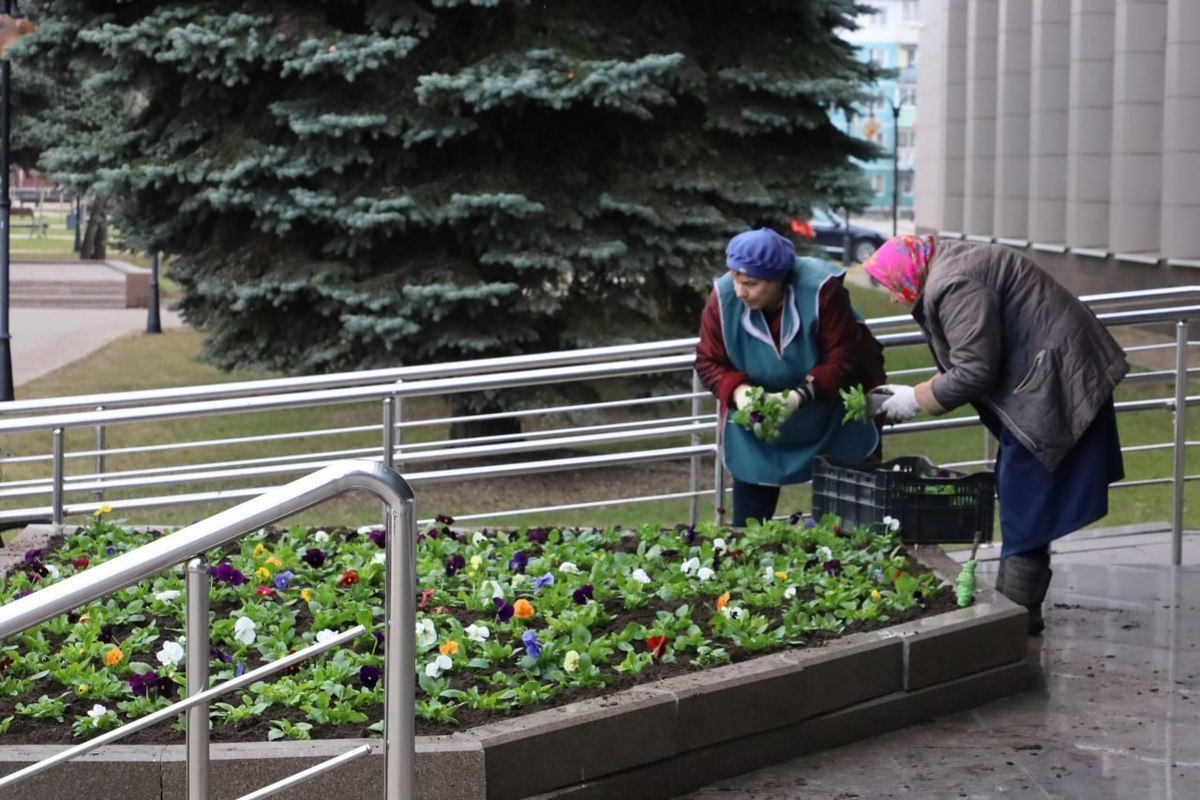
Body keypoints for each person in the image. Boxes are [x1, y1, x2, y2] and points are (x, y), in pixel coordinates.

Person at [864, 235, 1128, 635]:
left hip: (1052, 387)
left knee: (1025, 500)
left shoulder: (953, 283)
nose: (891, 299)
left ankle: (1015, 618)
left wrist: (915, 400)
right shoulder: (949, 269)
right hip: (1051, 379)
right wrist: (916, 392)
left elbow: (974, 371)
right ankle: (1018, 613)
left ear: (906, 274)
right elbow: (974, 355)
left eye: (889, 287)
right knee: (1026, 497)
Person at [695, 227, 887, 527]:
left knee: (844, 524)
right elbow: (708, 361)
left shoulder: (822, 290)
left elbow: (844, 358)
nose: (739, 291)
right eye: (735, 279)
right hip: (757, 426)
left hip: (830, 416)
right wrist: (740, 393)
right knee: (748, 531)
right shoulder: (722, 299)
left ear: (779, 280)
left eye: (751, 283)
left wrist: (797, 397)